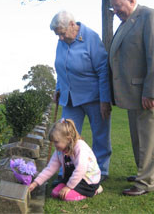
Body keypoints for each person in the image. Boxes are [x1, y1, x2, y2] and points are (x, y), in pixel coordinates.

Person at [106, 0, 154, 196]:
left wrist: (151, 91)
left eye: (118, 7)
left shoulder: (149, 16)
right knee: (139, 138)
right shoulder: (126, 22)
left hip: (146, 93)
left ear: (131, 0)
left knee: (148, 138)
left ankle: (146, 182)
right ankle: (149, 173)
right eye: (113, 9)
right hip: (132, 93)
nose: (116, 12)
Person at [50, 10, 112, 183]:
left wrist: (104, 100)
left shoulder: (91, 37)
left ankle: (100, 172)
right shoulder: (61, 42)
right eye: (57, 35)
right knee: (64, 136)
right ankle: (65, 172)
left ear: (72, 25)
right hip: (70, 98)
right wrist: (58, 88)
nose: (60, 38)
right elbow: (60, 68)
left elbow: (103, 70)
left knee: (100, 135)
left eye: (61, 33)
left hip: (93, 97)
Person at [29, 118, 103, 201]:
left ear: (68, 139)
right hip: (73, 178)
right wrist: (35, 183)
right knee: (55, 193)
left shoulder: (80, 148)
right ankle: (71, 187)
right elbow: (50, 169)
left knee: (66, 196)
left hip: (87, 181)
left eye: (56, 142)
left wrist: (68, 187)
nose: (54, 145)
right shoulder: (59, 151)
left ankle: (94, 191)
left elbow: (80, 169)